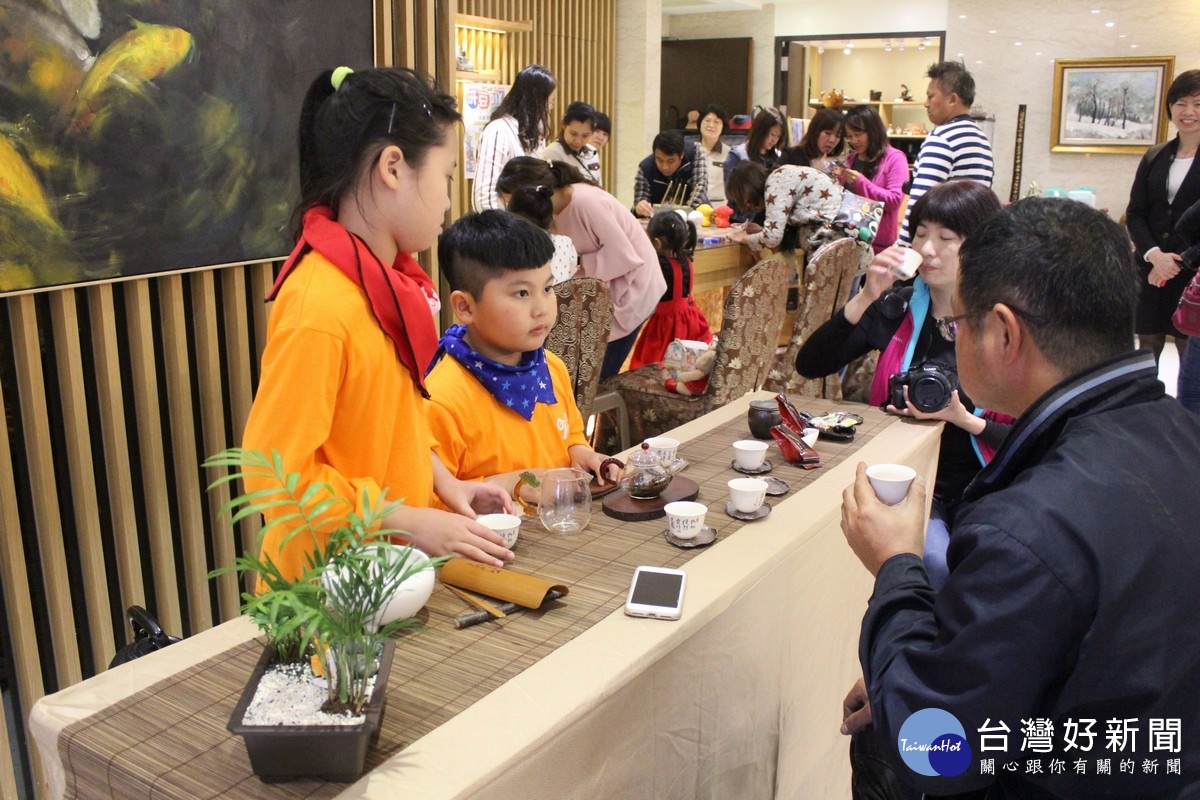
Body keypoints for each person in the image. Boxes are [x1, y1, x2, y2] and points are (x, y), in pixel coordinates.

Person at [839, 196, 1200, 799]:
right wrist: (923, 675)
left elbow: (936, 749)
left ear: (1004, 333)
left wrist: (898, 569)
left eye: (957, 325)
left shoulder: (1033, 525)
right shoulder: (1178, 432)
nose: (953, 338)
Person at [241, 66, 514, 583]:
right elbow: (271, 476)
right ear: (394, 167)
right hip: (326, 600)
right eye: (447, 176)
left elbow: (382, 426)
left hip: (384, 577)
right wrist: (406, 519)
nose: (449, 200)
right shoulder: (320, 304)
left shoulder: (389, 286)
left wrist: (441, 482)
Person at [796, 180, 1009, 589]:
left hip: (985, 487)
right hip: (901, 483)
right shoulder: (901, 305)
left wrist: (964, 419)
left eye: (946, 238)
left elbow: (1038, 435)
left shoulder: (1008, 323)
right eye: (922, 234)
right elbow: (811, 364)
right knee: (929, 560)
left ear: (982, 246)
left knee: (970, 566)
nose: (927, 249)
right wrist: (864, 298)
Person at [426, 211, 618, 499]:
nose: (542, 308)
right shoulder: (442, 399)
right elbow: (429, 504)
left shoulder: (550, 368)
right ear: (465, 307)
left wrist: (581, 453)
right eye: (522, 294)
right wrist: (513, 484)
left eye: (547, 288)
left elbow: (571, 435)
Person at [497, 157, 666, 379]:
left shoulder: (585, 202)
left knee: (595, 377)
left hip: (634, 290)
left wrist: (576, 265)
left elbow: (623, 256)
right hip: (604, 291)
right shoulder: (552, 210)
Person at [1124, 68, 1200, 365]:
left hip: (1192, 273)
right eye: (1180, 103)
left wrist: (1176, 261)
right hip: (1149, 268)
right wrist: (1154, 255)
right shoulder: (1155, 155)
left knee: (1188, 352)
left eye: (1198, 103)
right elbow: (1135, 212)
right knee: (1147, 346)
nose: (1188, 111)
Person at [899, 60, 993, 244]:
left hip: (937, 247)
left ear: (952, 99)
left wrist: (901, 251)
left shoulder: (942, 138)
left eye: (930, 96)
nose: (926, 104)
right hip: (968, 246)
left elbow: (919, 203)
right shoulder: (981, 138)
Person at [628, 209, 713, 371]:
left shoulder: (659, 264)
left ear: (657, 243)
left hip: (667, 325)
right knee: (690, 363)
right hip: (692, 318)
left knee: (654, 364)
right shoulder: (686, 258)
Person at [471, 64, 557, 211]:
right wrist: (506, 232)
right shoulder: (498, 130)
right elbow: (484, 197)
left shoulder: (532, 135)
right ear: (536, 101)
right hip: (505, 228)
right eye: (550, 103)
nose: (550, 109)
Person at [724, 162, 844, 257]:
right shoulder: (781, 175)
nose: (746, 204)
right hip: (843, 233)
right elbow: (778, 234)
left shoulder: (775, 182)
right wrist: (763, 231)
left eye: (741, 197)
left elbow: (772, 238)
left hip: (831, 239)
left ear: (747, 186)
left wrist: (742, 238)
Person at [835, 104, 909, 254]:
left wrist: (861, 182)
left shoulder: (894, 158)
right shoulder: (850, 159)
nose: (854, 140)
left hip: (877, 247)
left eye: (858, 134)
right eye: (849, 136)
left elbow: (894, 201)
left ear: (873, 130)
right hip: (845, 241)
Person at [506, 184, 579, 284]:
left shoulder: (505, 245)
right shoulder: (565, 242)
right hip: (558, 298)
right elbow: (570, 271)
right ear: (551, 216)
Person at [723, 107, 785, 219]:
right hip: (740, 218)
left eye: (778, 136)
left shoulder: (778, 157)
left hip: (768, 220)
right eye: (772, 134)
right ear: (760, 130)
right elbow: (730, 193)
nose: (774, 140)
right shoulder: (738, 154)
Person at [633, 130, 709, 217]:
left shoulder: (694, 152)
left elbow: (700, 187)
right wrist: (640, 208)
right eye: (660, 160)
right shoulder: (645, 169)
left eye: (671, 161)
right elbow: (639, 201)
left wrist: (685, 213)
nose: (665, 167)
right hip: (659, 221)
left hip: (694, 217)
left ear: (681, 155)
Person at [541, 100, 603, 187]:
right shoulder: (552, 153)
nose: (578, 141)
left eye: (585, 136)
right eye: (573, 134)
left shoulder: (592, 152)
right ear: (563, 125)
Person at [782, 107, 845, 174]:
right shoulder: (790, 156)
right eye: (828, 133)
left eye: (838, 136)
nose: (832, 140)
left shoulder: (837, 164)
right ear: (815, 131)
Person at [696, 104, 731, 206]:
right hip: (693, 207)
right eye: (707, 120)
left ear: (723, 126)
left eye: (716, 122)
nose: (711, 125)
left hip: (719, 208)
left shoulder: (730, 153)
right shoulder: (690, 149)